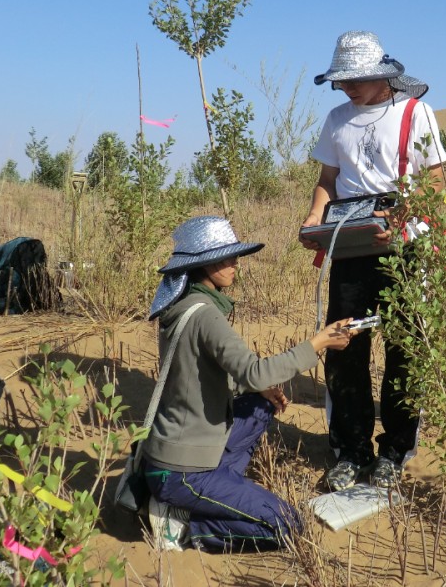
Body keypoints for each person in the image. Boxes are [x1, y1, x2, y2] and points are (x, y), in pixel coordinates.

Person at [143, 215, 356, 551]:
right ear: (202, 264)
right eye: (225, 258)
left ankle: (215, 492)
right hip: (183, 472)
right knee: (289, 525)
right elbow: (255, 372)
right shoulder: (204, 314)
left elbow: (202, 375)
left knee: (260, 403)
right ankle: (189, 527)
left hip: (180, 455)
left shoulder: (185, 305)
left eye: (235, 257)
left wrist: (255, 389)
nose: (234, 265)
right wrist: (319, 343)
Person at [299, 31, 446, 491]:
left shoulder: (414, 113)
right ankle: (350, 449)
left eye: (355, 80)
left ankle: (396, 450)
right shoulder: (336, 119)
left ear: (382, 75)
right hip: (347, 239)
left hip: (403, 242)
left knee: (403, 347)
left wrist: (403, 219)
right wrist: (313, 216)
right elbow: (329, 178)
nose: (347, 89)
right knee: (343, 346)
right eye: (342, 82)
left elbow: (435, 185)